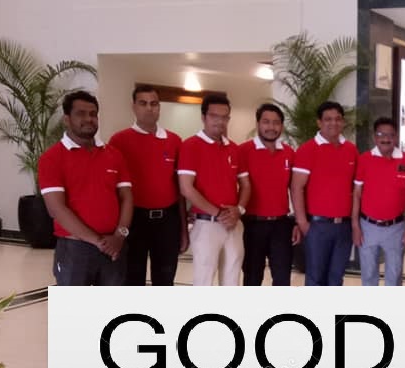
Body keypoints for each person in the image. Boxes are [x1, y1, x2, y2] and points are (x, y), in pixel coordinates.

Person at [38, 90, 132, 286]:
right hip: (74, 249)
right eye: (81, 114)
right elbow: (57, 209)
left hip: (114, 246)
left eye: (93, 114)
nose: (89, 119)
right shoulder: (52, 158)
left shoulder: (114, 154)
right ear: (66, 119)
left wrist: (119, 235)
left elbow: (126, 197)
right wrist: (98, 242)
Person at [108, 85, 187, 286]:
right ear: (134, 107)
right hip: (134, 220)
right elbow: (113, 189)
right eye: (143, 103)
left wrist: (183, 229)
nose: (149, 108)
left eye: (154, 104)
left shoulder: (174, 141)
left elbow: (180, 189)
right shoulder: (119, 141)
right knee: (132, 279)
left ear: (159, 107)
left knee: (165, 279)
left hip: (167, 221)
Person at [177, 94, 250, 286]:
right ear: (203, 117)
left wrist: (239, 210)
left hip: (233, 224)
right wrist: (219, 213)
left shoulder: (234, 149)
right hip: (206, 225)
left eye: (224, 117)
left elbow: (245, 185)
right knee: (204, 281)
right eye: (214, 116)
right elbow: (186, 188)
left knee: (232, 280)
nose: (220, 121)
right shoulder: (190, 146)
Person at [291, 101, 359, 286]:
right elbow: (296, 188)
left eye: (338, 119)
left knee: (336, 278)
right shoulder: (307, 150)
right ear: (319, 122)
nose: (333, 123)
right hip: (317, 226)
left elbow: (356, 189)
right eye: (328, 119)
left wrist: (354, 224)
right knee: (315, 278)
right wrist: (302, 223)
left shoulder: (351, 150)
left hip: (343, 227)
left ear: (342, 122)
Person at [351, 117, 405, 286]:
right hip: (368, 227)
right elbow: (357, 194)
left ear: (396, 137)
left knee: (394, 277)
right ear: (375, 137)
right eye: (381, 134)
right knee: (368, 275)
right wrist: (355, 226)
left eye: (390, 135)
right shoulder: (365, 159)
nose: (386, 139)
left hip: (396, 228)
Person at [238, 103, 300, 286]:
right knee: (252, 278)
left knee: (282, 279)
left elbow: (295, 189)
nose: (271, 127)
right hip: (252, 224)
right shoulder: (243, 151)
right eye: (266, 122)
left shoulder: (289, 153)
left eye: (276, 122)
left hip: (281, 225)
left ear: (281, 126)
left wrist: (298, 221)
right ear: (257, 124)